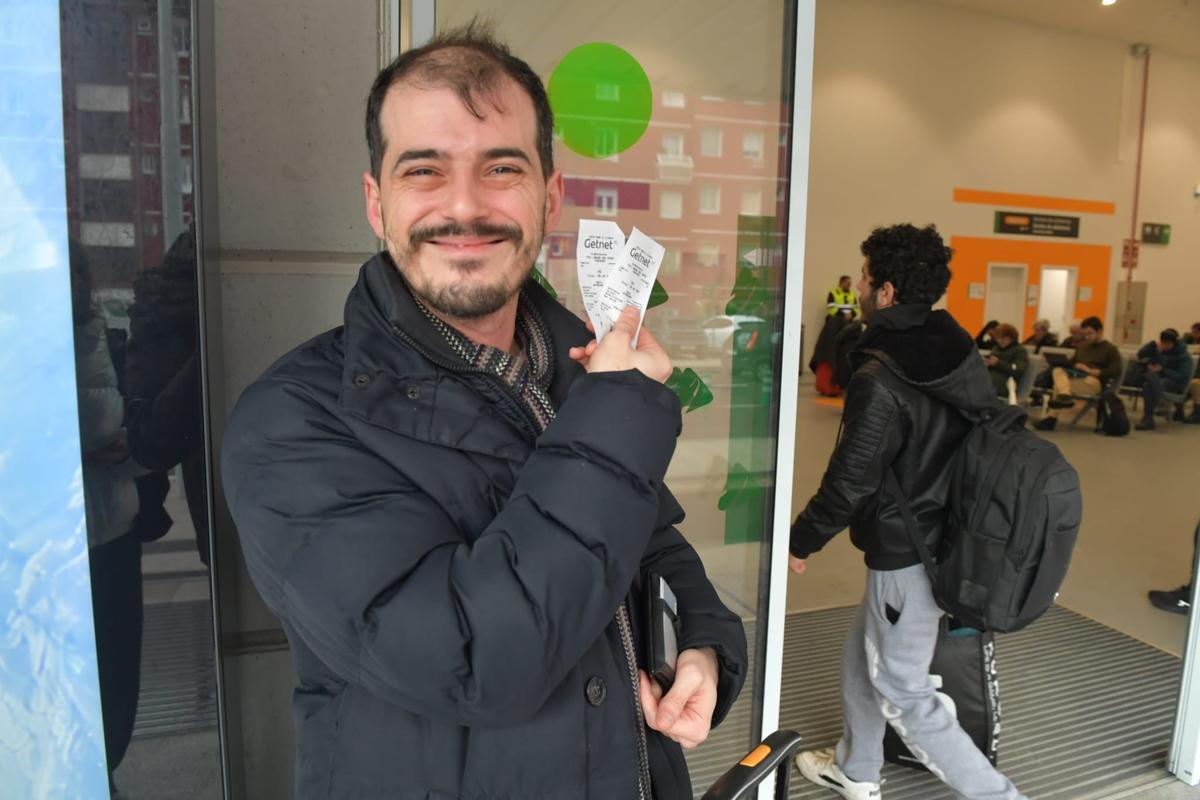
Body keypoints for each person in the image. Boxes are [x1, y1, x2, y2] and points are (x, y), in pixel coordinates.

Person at [221, 25, 747, 800]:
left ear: (550, 196)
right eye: (423, 170)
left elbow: (657, 556)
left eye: (502, 168)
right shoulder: (291, 423)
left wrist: (703, 649)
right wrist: (620, 411)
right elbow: (473, 661)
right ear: (377, 202)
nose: (464, 206)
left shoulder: (578, 370)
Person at [788, 224, 1026, 800]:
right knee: (860, 657)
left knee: (903, 689)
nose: (861, 289)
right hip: (946, 531)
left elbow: (852, 478)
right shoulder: (957, 349)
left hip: (907, 551)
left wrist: (802, 540)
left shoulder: (881, 374)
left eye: (867, 279)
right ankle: (858, 767)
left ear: (888, 292)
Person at [1033, 316, 1122, 432]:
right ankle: (1063, 398)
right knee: (1057, 370)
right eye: (1085, 334)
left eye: (1090, 333)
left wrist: (1091, 371)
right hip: (1077, 377)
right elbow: (1072, 363)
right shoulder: (1083, 346)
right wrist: (1071, 365)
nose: (1087, 337)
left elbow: (1115, 371)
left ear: (1100, 331)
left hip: (1093, 381)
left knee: (1059, 386)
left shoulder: (1110, 349)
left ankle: (1052, 418)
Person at [1133, 328, 1194, 431]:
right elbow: (1140, 354)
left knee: (1151, 382)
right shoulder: (1160, 350)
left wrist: (1162, 371)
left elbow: (1183, 376)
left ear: (1173, 343)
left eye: (1167, 344)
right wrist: (1152, 345)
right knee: (1149, 383)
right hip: (1159, 381)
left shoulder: (1184, 356)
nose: (1164, 346)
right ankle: (1157, 400)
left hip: (1176, 385)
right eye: (1162, 343)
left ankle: (1148, 419)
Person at [985, 322, 1029, 399]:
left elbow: (1018, 371)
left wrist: (998, 363)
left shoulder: (1020, 351)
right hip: (989, 381)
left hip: (1006, 384)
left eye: (1003, 338)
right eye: (998, 338)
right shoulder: (996, 348)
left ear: (1011, 338)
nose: (999, 341)